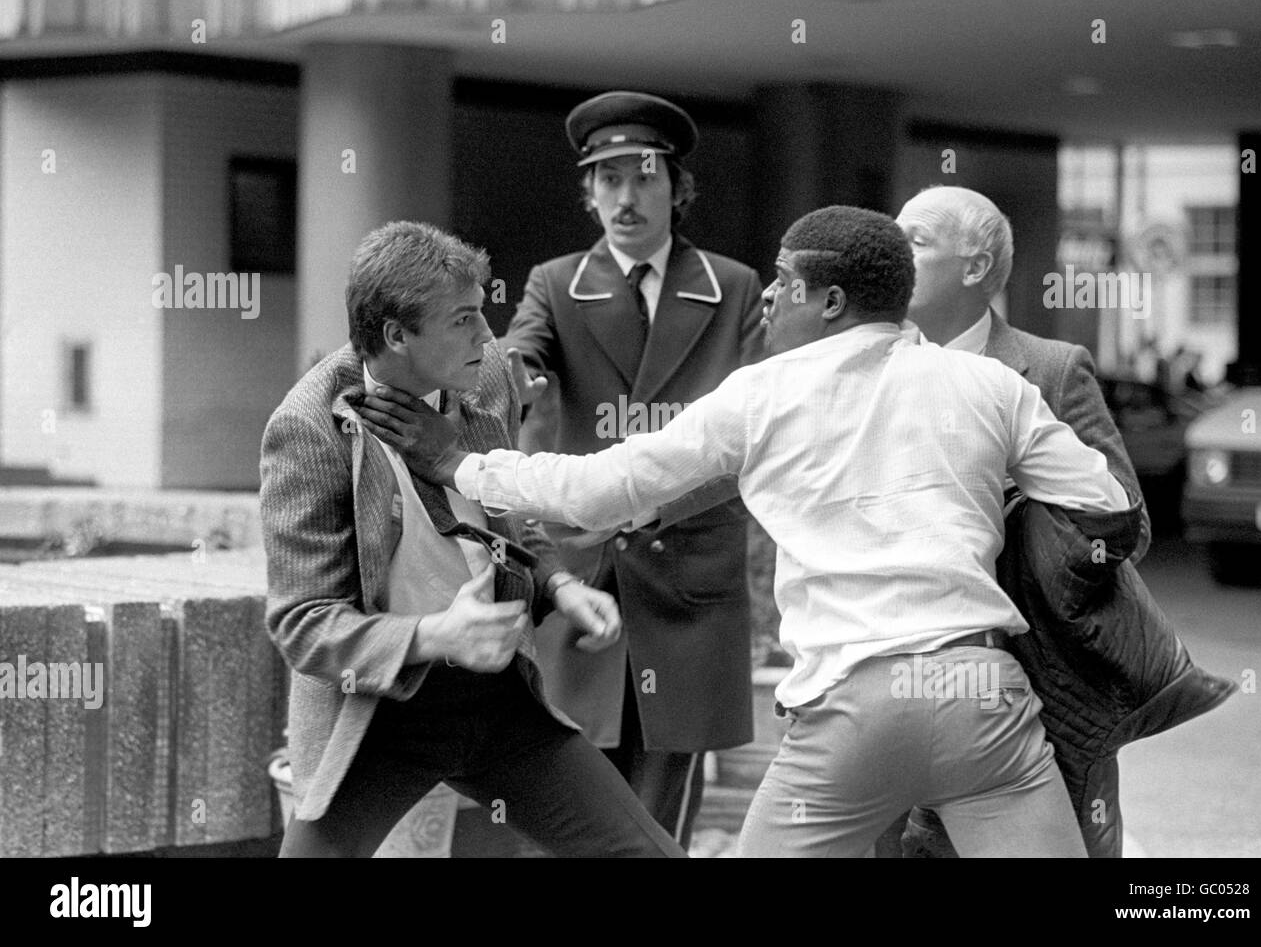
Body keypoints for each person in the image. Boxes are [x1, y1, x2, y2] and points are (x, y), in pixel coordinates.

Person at [376, 206, 1135, 857]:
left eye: (788, 282)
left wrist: (456, 462)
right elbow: (1106, 504)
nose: (769, 294)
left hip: (851, 716)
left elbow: (594, 494)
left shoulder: (762, 396)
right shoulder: (990, 385)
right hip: (984, 703)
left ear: (832, 301)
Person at [259, 221, 683, 858]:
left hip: (499, 700)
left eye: (482, 312)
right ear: (397, 335)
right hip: (378, 712)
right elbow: (302, 623)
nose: (487, 335)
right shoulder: (308, 426)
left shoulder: (485, 381)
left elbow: (504, 519)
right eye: (463, 319)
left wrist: (558, 585)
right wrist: (435, 635)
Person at [497, 90, 765, 847]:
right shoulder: (554, 284)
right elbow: (517, 355)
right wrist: (511, 382)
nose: (626, 196)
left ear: (676, 190)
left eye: (644, 177)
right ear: (589, 195)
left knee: (656, 820)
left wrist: (654, 505)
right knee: (556, 800)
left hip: (688, 581)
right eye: (608, 178)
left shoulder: (735, 288)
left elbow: (756, 433)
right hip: (582, 579)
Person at [884, 185, 1151, 857]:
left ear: (975, 267)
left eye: (915, 240)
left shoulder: (1053, 370)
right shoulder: (867, 366)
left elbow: (1128, 523)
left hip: (1032, 687)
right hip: (885, 686)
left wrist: (1012, 501)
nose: (893, 251)